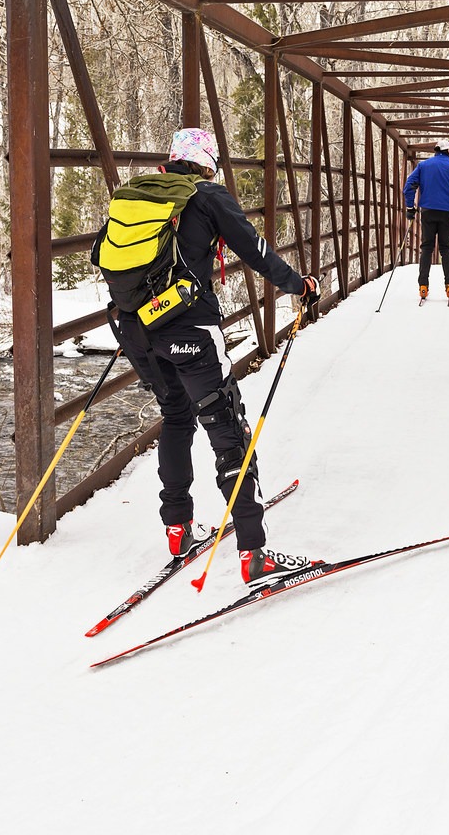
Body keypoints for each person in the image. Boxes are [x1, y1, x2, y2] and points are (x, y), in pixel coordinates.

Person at [109, 127, 321, 587]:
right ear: (206, 163)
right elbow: (256, 251)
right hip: (189, 328)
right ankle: (254, 553)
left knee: (177, 418)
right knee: (227, 426)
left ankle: (178, 528)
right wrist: (299, 285)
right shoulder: (206, 195)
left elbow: (99, 256)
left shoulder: (138, 198)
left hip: (137, 330)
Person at [403, 138, 449, 303]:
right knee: (445, 248)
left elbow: (409, 186)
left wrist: (410, 208)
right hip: (447, 213)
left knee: (426, 248)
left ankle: (423, 286)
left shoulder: (423, 166)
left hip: (428, 211)